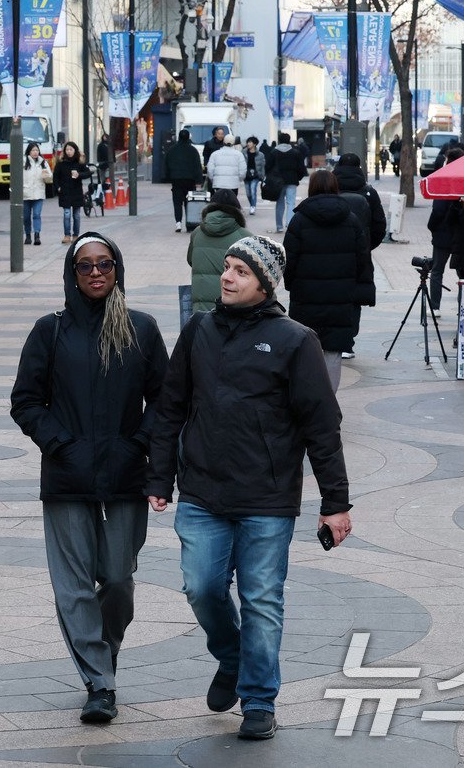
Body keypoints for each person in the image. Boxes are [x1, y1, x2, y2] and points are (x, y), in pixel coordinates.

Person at [146, 234, 352, 742]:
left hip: (267, 498)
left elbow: (321, 425)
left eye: (240, 270)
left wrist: (335, 504)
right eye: (228, 267)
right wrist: (159, 477)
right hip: (203, 493)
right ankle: (233, 657)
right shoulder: (198, 331)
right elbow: (171, 406)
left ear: (264, 285)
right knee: (201, 587)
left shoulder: (295, 340)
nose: (228, 276)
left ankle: (259, 699)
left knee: (262, 599)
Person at [10, 232, 170, 725]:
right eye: (85, 266)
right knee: (74, 586)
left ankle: (102, 654)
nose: (96, 272)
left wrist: (137, 445)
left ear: (118, 268)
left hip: (125, 474)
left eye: (105, 264)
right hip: (66, 477)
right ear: (71, 274)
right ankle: (99, 682)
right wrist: (61, 445)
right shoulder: (50, 331)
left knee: (118, 580)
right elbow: (25, 401)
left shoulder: (141, 329)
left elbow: (165, 402)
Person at [281, 170, 375, 388]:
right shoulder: (351, 220)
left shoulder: (299, 220)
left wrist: (291, 284)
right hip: (340, 298)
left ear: (312, 188)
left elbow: (288, 259)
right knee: (333, 353)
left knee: (304, 350)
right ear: (335, 187)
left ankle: (307, 402)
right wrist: (360, 289)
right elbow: (363, 259)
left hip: (306, 297)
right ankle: (328, 405)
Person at [188, 202, 251, 315]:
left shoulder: (197, 232)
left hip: (201, 304)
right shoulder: (245, 236)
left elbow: (190, 260)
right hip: (231, 303)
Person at [331, 153, 386, 251]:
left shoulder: (329, 190)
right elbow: (379, 225)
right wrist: (367, 245)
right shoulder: (369, 192)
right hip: (361, 251)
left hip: (332, 248)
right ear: (359, 167)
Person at [265, 133, 306, 233]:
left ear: (279, 140)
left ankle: (279, 226)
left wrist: (269, 177)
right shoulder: (295, 152)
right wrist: (298, 177)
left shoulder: (274, 152)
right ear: (289, 140)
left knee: (279, 203)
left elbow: (267, 166)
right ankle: (289, 224)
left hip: (277, 182)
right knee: (291, 202)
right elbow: (301, 168)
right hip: (292, 180)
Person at [166, 129, 204, 233]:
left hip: (176, 179)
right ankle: (189, 224)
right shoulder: (193, 150)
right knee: (189, 202)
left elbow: (167, 164)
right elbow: (197, 166)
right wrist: (199, 180)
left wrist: (167, 177)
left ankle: (178, 223)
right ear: (188, 137)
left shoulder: (172, 150)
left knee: (177, 202)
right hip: (190, 180)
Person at [54, 141, 90, 244]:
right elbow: (55, 176)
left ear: (75, 150)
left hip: (76, 191)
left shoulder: (79, 163)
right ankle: (67, 235)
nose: (69, 152)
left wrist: (79, 175)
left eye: (71, 150)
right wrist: (58, 188)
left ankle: (75, 235)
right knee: (66, 213)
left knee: (77, 215)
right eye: (67, 150)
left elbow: (88, 173)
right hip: (64, 192)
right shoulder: (61, 163)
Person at [21, 142, 53, 246]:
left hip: (38, 193)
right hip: (26, 193)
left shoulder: (43, 162)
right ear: (29, 151)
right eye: (33, 150)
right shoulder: (23, 161)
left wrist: (46, 176)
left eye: (37, 150)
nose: (35, 153)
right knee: (26, 216)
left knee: (36, 215)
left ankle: (37, 235)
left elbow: (49, 178)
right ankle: (28, 235)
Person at [205, 139, 245, 210]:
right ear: (234, 143)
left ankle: (220, 217)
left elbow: (210, 170)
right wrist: (239, 179)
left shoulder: (215, 154)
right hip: (233, 184)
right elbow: (243, 170)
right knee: (232, 203)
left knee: (219, 202)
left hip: (219, 183)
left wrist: (212, 179)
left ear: (223, 143)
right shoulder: (239, 154)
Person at [243, 138, 265, 216]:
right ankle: (251, 204)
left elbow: (263, 166)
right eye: (248, 142)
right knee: (248, 193)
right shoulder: (243, 153)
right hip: (246, 175)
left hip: (255, 176)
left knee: (253, 191)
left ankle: (253, 206)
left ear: (255, 144)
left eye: (250, 142)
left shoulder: (260, 154)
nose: (248, 144)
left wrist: (262, 177)